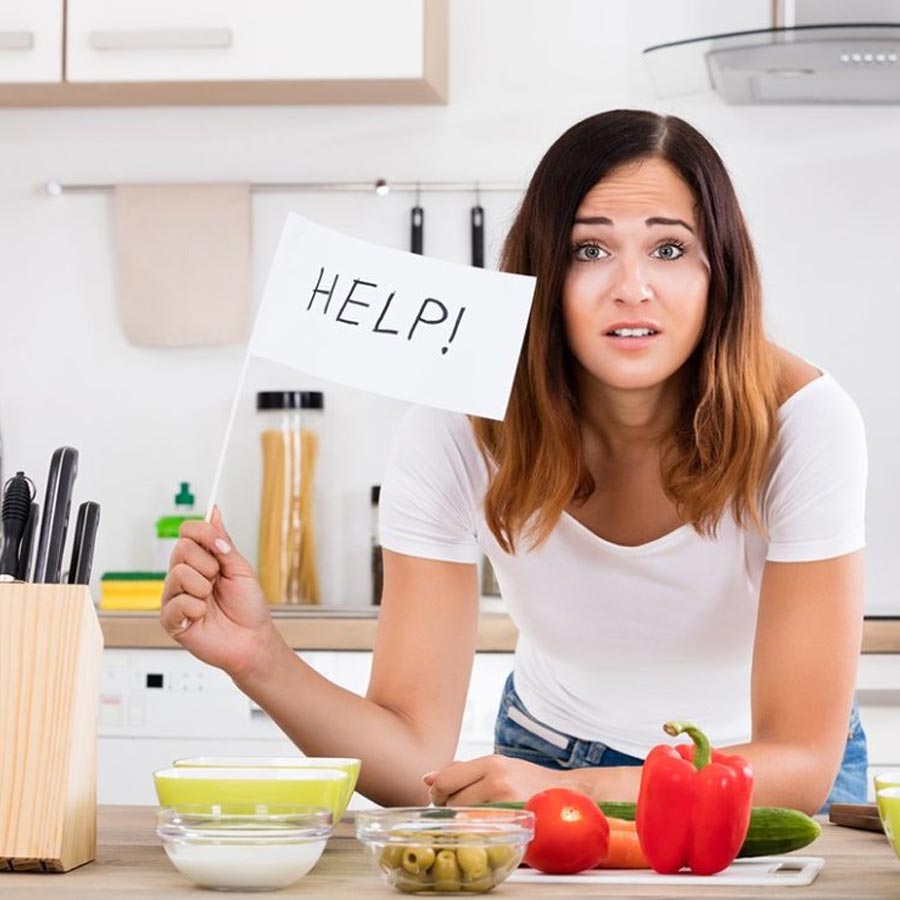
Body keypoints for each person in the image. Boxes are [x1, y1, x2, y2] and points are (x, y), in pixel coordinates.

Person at [160, 109, 867, 815]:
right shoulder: (454, 429)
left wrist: (573, 793)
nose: (631, 286)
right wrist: (262, 660)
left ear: (722, 271)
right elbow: (412, 758)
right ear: (543, 273)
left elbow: (801, 759)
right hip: (550, 753)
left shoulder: (802, 424)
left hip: (749, 776)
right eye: (590, 250)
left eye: (670, 249)